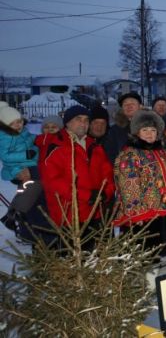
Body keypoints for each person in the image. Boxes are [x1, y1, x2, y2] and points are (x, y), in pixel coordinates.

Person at [42, 105, 115, 246]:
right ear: (68, 123)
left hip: (96, 212)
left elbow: (107, 173)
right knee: (76, 260)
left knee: (99, 258)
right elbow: (53, 182)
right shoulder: (56, 147)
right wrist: (87, 196)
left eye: (86, 120)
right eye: (78, 119)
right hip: (70, 215)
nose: (83, 123)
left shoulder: (93, 146)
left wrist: (106, 193)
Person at [114, 108, 166, 255]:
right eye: (145, 130)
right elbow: (129, 187)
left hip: (165, 210)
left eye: (152, 130)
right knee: (148, 254)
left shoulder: (162, 152)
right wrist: (136, 214)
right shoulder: (130, 155)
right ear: (137, 132)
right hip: (145, 215)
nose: (149, 134)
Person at [0, 105, 39, 184]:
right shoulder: (6, 138)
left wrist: (38, 138)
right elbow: (5, 156)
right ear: (5, 126)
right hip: (16, 168)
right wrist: (26, 155)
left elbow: (29, 138)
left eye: (19, 121)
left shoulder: (23, 130)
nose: (17, 125)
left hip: (29, 161)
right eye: (11, 124)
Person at [105, 91, 143, 163]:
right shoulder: (114, 131)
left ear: (140, 106)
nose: (129, 106)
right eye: (125, 104)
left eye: (132, 103)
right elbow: (110, 155)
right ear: (122, 109)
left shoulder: (151, 125)